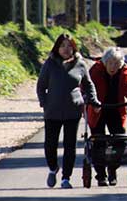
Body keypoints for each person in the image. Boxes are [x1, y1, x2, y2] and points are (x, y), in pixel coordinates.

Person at [37, 34, 101, 189]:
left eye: (69, 46)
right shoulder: (50, 64)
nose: (66, 49)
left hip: (73, 111)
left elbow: (89, 85)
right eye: (63, 46)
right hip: (52, 112)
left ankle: (66, 178)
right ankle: (53, 168)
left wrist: (93, 100)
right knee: (50, 146)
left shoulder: (80, 64)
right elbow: (41, 86)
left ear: (74, 48)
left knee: (70, 146)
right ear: (57, 48)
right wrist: (45, 103)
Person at [87, 47, 127, 186]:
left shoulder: (123, 71)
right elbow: (87, 87)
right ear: (105, 62)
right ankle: (100, 175)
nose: (113, 66)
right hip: (98, 109)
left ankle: (112, 170)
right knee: (98, 141)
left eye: (116, 63)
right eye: (110, 63)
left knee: (120, 140)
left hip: (116, 109)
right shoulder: (96, 70)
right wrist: (92, 101)